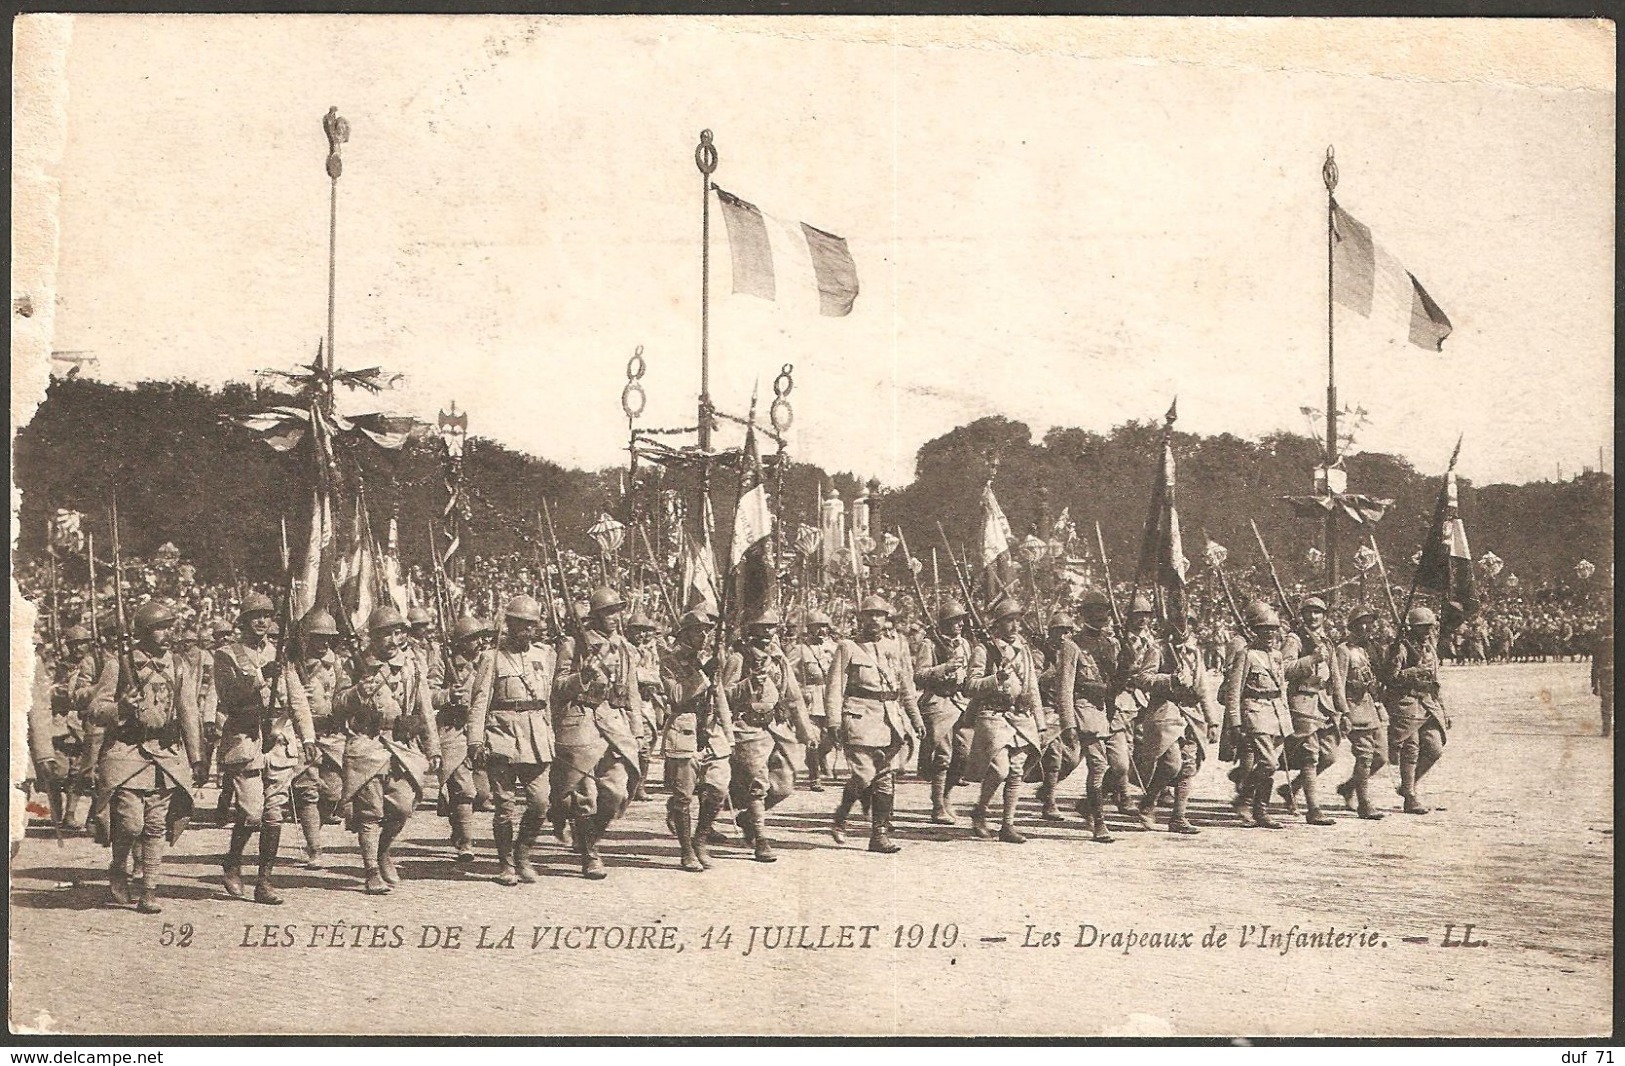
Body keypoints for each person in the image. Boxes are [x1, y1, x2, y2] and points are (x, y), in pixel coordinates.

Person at [86, 601, 207, 914]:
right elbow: (96, 711)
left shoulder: (179, 666)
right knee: (130, 824)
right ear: (142, 631)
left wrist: (196, 756)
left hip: (165, 755)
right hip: (127, 754)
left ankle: (149, 889)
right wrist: (122, 709)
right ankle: (118, 867)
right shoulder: (118, 665)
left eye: (168, 626)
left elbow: (188, 711)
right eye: (158, 627)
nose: (165, 633)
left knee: (155, 826)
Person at [334, 607, 442, 893]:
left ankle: (383, 852)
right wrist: (357, 691)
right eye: (385, 635)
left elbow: (425, 709)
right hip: (367, 743)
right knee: (370, 811)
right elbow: (338, 704)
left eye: (398, 633)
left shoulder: (412, 665)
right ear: (373, 637)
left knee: (403, 807)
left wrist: (433, 748)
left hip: (402, 744)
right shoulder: (355, 664)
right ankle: (370, 869)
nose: (393, 640)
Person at [212, 593, 311, 904]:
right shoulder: (227, 655)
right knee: (252, 813)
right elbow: (229, 697)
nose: (262, 621)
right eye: (255, 615)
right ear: (243, 620)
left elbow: (297, 700)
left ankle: (264, 881)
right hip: (245, 739)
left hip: (278, 742)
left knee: (273, 815)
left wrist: (308, 738)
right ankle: (232, 860)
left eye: (267, 615)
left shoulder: (280, 655)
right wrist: (259, 677)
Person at [552, 587, 644, 880]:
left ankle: (589, 838)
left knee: (617, 791)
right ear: (595, 615)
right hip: (581, 721)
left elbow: (632, 694)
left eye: (618, 611)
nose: (614, 617)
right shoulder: (573, 645)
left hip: (614, 723)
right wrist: (584, 677)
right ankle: (590, 854)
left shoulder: (627, 649)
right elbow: (557, 688)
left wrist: (637, 731)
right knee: (585, 796)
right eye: (608, 612)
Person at [469, 596, 556, 886]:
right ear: (509, 625)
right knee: (504, 806)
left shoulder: (545, 655)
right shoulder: (491, 657)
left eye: (532, 626)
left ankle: (523, 853)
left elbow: (549, 701)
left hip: (537, 737)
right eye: (522, 625)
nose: (528, 631)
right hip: (502, 735)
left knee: (540, 802)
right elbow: (480, 701)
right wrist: (475, 741)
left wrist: (551, 735)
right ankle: (506, 863)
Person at [826, 595, 924, 852]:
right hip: (859, 717)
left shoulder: (897, 646)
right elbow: (835, 687)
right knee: (864, 775)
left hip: (889, 719)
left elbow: (906, 687)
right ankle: (841, 816)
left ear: (886, 619)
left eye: (879, 615)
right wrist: (834, 722)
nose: (874, 620)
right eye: (868, 615)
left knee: (884, 778)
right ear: (860, 618)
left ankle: (878, 835)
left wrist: (915, 718)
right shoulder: (848, 647)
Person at [720, 608, 815, 862]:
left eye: (771, 627)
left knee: (784, 785)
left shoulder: (778, 658)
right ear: (749, 629)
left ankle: (748, 818)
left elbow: (792, 695)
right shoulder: (738, 659)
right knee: (757, 785)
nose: (767, 633)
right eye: (761, 628)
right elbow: (724, 695)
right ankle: (760, 838)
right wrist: (748, 682)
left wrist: (806, 730)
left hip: (775, 727)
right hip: (747, 727)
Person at [1133, 608, 1220, 834]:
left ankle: (1179, 817)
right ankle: (1148, 802)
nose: (1183, 629)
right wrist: (1169, 679)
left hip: (1190, 713)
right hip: (1165, 711)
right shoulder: (1158, 649)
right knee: (1172, 764)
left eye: (1188, 623)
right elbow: (1142, 678)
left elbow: (1202, 689)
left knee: (1188, 767)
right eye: (1179, 623)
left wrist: (1212, 721)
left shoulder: (1194, 652)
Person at [964, 596, 1043, 844]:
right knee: (999, 769)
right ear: (998, 624)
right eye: (1009, 621)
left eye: (1018, 621)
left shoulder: (1024, 648)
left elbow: (1032, 686)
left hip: (1020, 716)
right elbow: (970, 685)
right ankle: (981, 810)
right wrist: (994, 679)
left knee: (1017, 770)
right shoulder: (984, 649)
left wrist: (1039, 722)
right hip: (994, 714)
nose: (1015, 626)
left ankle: (1007, 825)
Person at [659, 610, 733, 872]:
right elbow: (677, 695)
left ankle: (700, 838)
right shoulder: (670, 661)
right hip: (684, 728)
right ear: (684, 634)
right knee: (683, 797)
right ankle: (687, 850)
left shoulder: (708, 659)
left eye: (706, 630)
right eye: (698, 630)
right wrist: (702, 676)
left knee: (718, 788)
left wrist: (729, 733)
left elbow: (719, 695)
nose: (704, 635)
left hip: (711, 730)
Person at [1220, 601, 1299, 830]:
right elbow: (1234, 692)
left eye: (1273, 629)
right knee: (1269, 763)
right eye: (1264, 629)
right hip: (1254, 712)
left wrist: (1285, 716)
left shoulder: (1276, 656)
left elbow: (1282, 688)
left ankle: (1261, 810)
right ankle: (1243, 800)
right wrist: (1235, 723)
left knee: (1270, 766)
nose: (1270, 634)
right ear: (1255, 631)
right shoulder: (1246, 655)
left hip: (1276, 715)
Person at [1055, 589, 1121, 843]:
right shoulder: (1072, 645)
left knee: (1119, 767)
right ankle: (1099, 824)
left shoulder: (1110, 643)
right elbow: (1065, 687)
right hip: (1083, 709)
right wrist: (1068, 722)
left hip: (1105, 710)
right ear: (1084, 614)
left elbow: (1117, 679)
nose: (1101, 614)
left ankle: (1088, 809)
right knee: (1098, 766)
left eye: (1104, 610)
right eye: (1095, 610)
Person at [285, 609, 350, 868]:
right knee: (307, 792)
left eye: (328, 638)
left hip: (332, 734)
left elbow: (345, 691)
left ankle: (314, 829)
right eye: (318, 638)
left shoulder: (336, 663)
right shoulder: (294, 664)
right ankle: (315, 848)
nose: (323, 643)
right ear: (306, 638)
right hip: (302, 735)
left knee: (333, 793)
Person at [428, 614, 490, 866]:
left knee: (482, 792)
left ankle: (458, 824)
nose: (479, 642)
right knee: (463, 789)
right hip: (453, 730)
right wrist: (447, 695)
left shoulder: (487, 662)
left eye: (479, 638)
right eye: (473, 639)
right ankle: (466, 843)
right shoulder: (444, 662)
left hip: (483, 729)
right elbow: (428, 694)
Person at [1278, 596, 1341, 827]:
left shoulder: (1327, 640)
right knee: (1309, 755)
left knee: (1329, 755)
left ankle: (1291, 789)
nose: (1313, 617)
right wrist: (1311, 659)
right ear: (1301, 615)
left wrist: (1341, 708)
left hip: (1324, 703)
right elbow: (1283, 669)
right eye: (1309, 612)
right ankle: (1313, 809)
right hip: (1302, 702)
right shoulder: (1294, 639)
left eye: (1318, 612)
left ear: (1324, 616)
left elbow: (1335, 677)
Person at [1383, 606, 1450, 815]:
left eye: (1429, 627)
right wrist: (1414, 671)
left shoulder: (1429, 647)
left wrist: (1443, 709)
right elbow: (1390, 678)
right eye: (1422, 627)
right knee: (1411, 749)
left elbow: (1435, 680)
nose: (1427, 631)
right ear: (1412, 628)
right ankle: (1410, 796)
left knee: (1434, 749)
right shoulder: (1400, 648)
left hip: (1428, 701)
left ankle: (1407, 785)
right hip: (1407, 701)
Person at [912, 601, 974, 824]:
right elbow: (919, 675)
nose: (960, 624)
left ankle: (947, 795)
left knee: (964, 754)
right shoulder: (929, 644)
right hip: (938, 702)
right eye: (955, 620)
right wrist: (944, 668)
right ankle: (938, 804)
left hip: (960, 701)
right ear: (945, 623)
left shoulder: (965, 644)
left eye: (961, 620)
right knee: (942, 756)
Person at [1332, 606, 1388, 819]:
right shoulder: (1344, 650)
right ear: (1352, 626)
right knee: (1364, 756)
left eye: (1369, 623)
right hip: (1353, 707)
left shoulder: (1368, 649)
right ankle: (1364, 804)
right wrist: (1344, 713)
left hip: (1370, 706)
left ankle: (1348, 788)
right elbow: (1338, 683)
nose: (1365, 627)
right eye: (1360, 624)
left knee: (1381, 756)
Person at [1031, 611, 1082, 821]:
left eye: (1067, 632)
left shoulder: (1072, 653)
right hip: (1044, 711)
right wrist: (1051, 671)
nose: (1063, 636)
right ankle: (1050, 802)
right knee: (1054, 757)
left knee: (1072, 758)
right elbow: (1031, 680)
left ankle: (1046, 789)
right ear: (1050, 633)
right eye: (1058, 632)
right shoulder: (1039, 653)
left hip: (1066, 712)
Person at [793, 610, 840, 791]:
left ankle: (819, 756)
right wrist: (800, 691)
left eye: (825, 626)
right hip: (811, 697)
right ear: (809, 628)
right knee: (812, 736)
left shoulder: (834, 647)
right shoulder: (800, 649)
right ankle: (815, 778)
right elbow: (788, 673)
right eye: (817, 627)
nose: (822, 630)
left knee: (830, 737)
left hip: (831, 695)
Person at [625, 613, 664, 801]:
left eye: (644, 630)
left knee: (646, 747)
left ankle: (639, 785)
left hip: (646, 703)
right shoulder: (623, 649)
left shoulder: (649, 652)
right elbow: (630, 675)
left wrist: (647, 678)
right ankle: (627, 786)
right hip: (626, 705)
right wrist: (644, 677)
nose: (641, 635)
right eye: (637, 630)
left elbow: (657, 675)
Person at [1592, 616, 1613, 738]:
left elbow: (1595, 665)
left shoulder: (1600, 644)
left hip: (1606, 674)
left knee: (1607, 702)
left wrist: (1594, 684)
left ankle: (1607, 730)